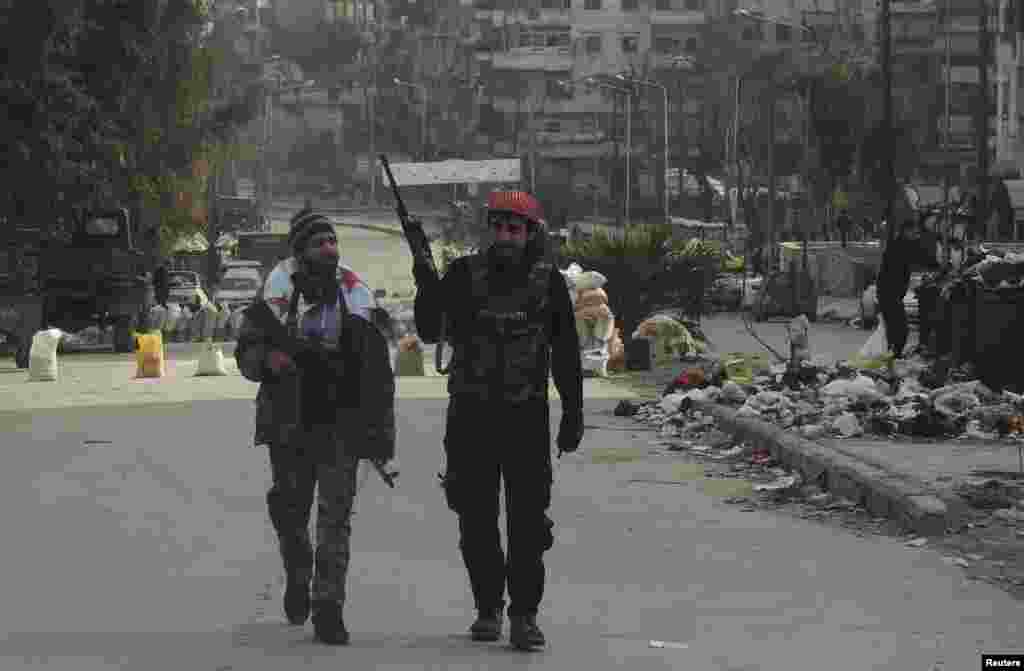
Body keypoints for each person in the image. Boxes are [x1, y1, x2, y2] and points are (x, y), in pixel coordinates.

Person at [412, 190, 584, 650]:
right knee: (475, 519)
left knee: (528, 524)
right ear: (489, 230)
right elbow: (429, 330)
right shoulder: (462, 275)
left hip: (526, 418)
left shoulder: (548, 283)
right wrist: (425, 282)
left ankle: (524, 615)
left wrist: (573, 412)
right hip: (471, 417)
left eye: (515, 228)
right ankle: (488, 608)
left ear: (530, 233)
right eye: (499, 227)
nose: (506, 236)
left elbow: (566, 351)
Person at [234, 208, 397, 645]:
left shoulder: (355, 297)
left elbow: (380, 373)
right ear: (300, 252)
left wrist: (381, 434)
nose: (329, 249)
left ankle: (329, 607)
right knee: (290, 510)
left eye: (332, 241)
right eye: (318, 243)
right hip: (289, 421)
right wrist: (270, 360)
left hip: (340, 422)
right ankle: (298, 571)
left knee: (335, 518)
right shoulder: (275, 299)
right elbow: (246, 352)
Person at [876, 219, 939, 358]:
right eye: (913, 232)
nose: (915, 235)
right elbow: (922, 257)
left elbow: (920, 257)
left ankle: (893, 354)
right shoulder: (902, 245)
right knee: (899, 328)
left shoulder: (901, 244)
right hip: (889, 292)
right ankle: (894, 355)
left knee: (895, 327)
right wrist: (938, 266)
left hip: (889, 292)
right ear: (906, 231)